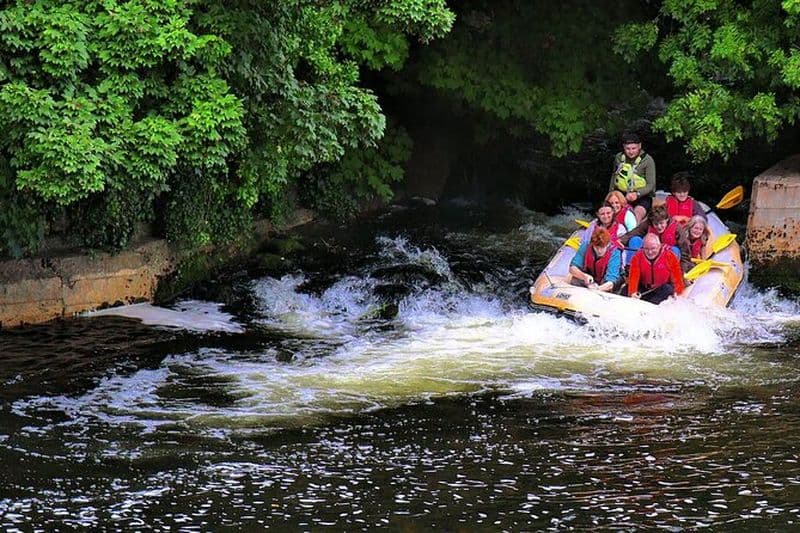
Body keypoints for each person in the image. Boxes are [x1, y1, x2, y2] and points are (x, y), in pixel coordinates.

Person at [609, 132, 656, 223]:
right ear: (623, 147)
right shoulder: (619, 157)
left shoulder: (648, 160)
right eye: (628, 149)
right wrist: (610, 194)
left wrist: (637, 194)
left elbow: (651, 184)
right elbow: (614, 177)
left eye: (634, 148)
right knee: (612, 213)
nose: (631, 152)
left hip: (642, 196)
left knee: (636, 215)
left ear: (639, 146)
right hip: (622, 194)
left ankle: (632, 233)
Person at [628, 233, 685, 304]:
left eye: (653, 248)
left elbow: (677, 277)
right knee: (626, 290)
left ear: (659, 246)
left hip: (661, 289)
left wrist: (679, 293)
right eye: (646, 249)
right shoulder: (637, 257)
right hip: (645, 288)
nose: (650, 252)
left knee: (668, 289)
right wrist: (632, 292)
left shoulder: (669, 256)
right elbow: (633, 276)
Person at [570, 227, 622, 293]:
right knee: (575, 280)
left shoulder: (615, 253)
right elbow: (572, 268)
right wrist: (584, 276)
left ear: (608, 244)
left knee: (609, 286)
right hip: (591, 278)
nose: (599, 251)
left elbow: (611, 281)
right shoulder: (586, 246)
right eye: (597, 247)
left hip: (606, 282)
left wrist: (597, 289)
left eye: (602, 247)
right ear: (592, 244)